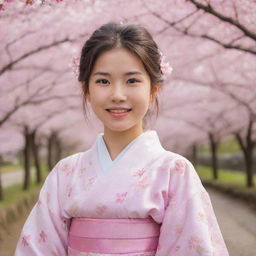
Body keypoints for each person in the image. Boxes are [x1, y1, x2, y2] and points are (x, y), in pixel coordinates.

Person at [14, 22, 229, 256]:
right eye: (103, 81)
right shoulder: (65, 173)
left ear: (154, 89)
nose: (117, 95)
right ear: (86, 89)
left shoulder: (174, 171)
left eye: (132, 81)